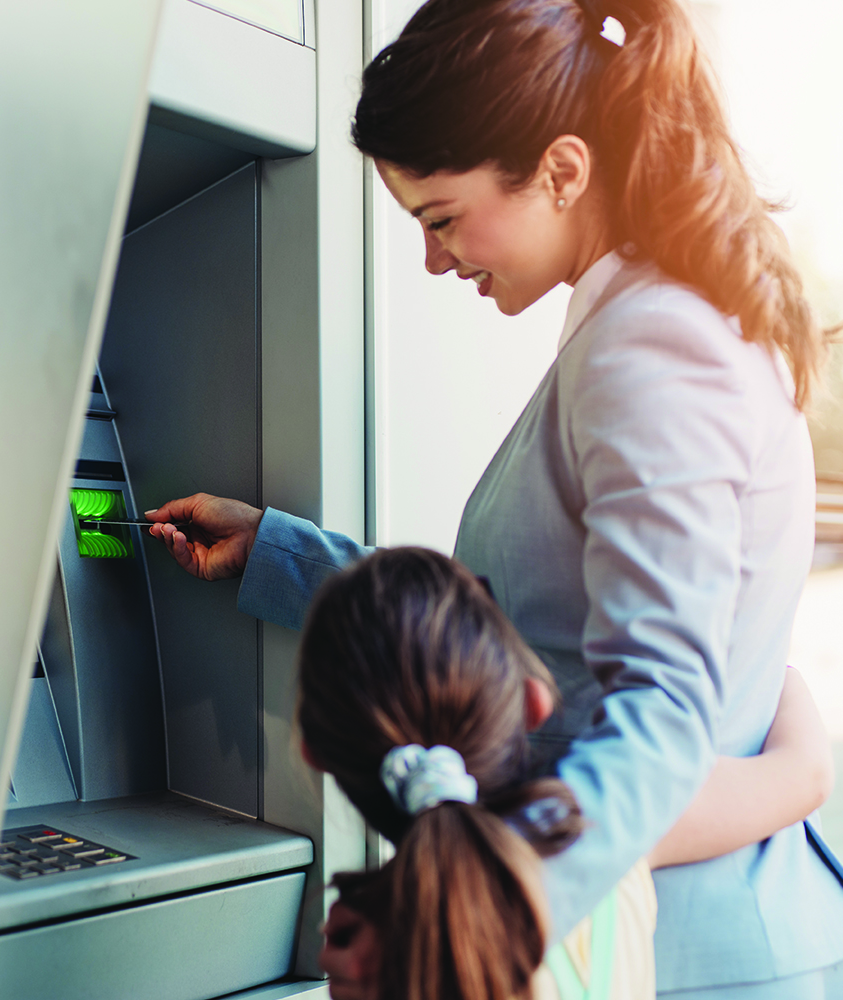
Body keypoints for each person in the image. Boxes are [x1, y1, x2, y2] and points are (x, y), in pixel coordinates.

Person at [145, 0, 843, 994]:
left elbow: (661, 709)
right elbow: (507, 622)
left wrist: (474, 911)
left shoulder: (651, 348)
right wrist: (280, 551)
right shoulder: (639, 326)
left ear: (561, 171)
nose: (435, 259)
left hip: (687, 959)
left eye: (440, 219)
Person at [294, 546, 830, 1000]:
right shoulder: (614, 839)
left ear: (312, 750)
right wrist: (762, 664)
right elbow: (804, 771)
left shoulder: (360, 952)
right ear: (534, 702)